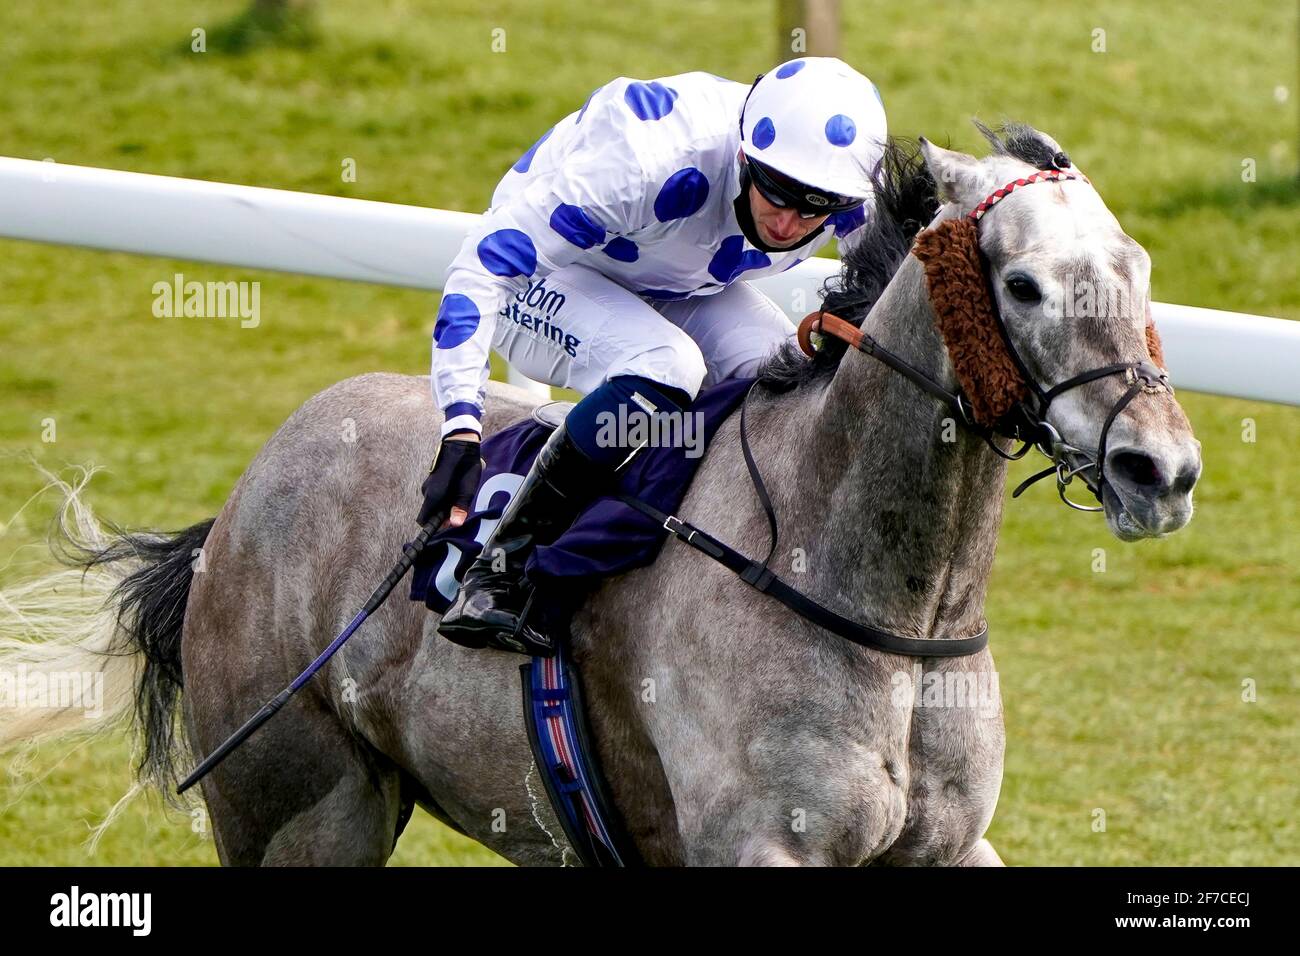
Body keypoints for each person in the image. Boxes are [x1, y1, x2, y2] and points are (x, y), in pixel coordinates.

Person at [419, 57, 887, 656]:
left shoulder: (848, 192)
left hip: (679, 283)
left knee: (784, 378)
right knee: (670, 366)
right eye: (777, 195)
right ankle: (499, 570)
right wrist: (459, 423)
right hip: (549, 275)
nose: (791, 223)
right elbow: (485, 264)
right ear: (745, 158)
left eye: (814, 208)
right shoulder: (646, 162)